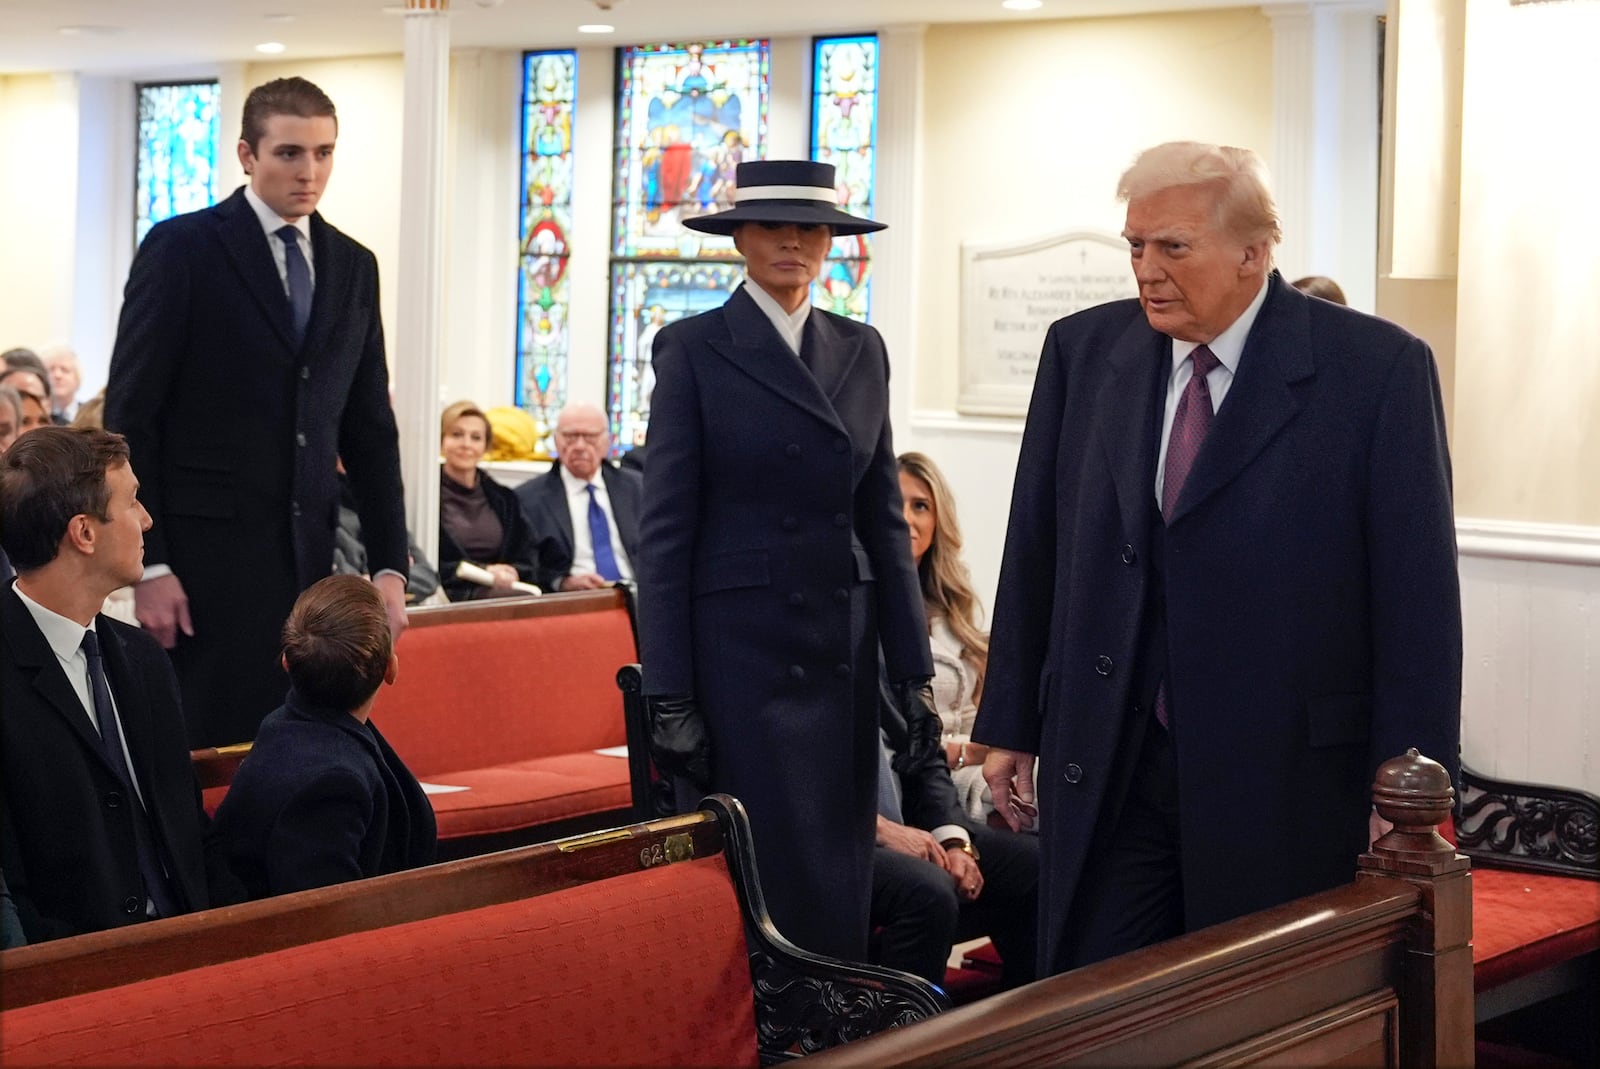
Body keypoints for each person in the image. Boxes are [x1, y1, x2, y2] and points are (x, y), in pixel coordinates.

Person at [975, 141, 1462, 977]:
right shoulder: (1083, 353)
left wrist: (1407, 786)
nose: (1147, 270)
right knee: (1101, 1005)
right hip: (1114, 762)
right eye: (1134, 246)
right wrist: (1012, 721)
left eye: (1173, 246)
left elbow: (1416, 601)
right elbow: (1036, 549)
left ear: (1254, 250)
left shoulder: (1374, 371)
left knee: (1252, 1012)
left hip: (1281, 774)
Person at [636, 160, 935, 962]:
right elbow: (663, 535)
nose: (795, 242)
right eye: (774, 226)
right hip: (744, 661)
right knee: (762, 883)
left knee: (839, 881)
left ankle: (839, 1038)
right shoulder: (695, 347)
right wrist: (669, 691)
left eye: (812, 228)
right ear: (739, 236)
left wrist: (912, 672)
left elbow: (883, 521)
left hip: (840, 650)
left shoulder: (861, 348)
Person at [105, 76, 409, 748]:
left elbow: (369, 428)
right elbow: (131, 414)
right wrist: (150, 564)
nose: (310, 173)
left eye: (324, 153)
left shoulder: (353, 264)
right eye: (290, 153)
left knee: (303, 747)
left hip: (309, 560)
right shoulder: (184, 248)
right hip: (204, 561)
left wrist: (390, 564)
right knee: (208, 749)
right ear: (247, 154)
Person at [1, 427, 226, 941]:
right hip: (77, 972)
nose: (147, 518)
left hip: (189, 942)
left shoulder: (141, 656)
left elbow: (188, 830)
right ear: (84, 532)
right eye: (132, 501)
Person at [207, 574, 436, 898]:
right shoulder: (331, 782)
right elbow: (326, 917)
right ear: (391, 669)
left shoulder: (284, 726)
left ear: (286, 663)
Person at [873, 677, 1039, 989]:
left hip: (908, 818)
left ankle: (1027, 1020)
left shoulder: (879, 654)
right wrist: (874, 828)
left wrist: (953, 841)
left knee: (1035, 865)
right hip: (830, 838)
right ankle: (906, 1031)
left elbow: (926, 757)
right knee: (928, 890)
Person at [896, 451, 1009, 824]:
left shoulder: (953, 615)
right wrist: (967, 753)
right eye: (895, 504)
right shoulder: (865, 609)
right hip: (920, 786)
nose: (906, 518)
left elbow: (981, 723)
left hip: (976, 773)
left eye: (921, 506)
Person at [514, 400, 641, 593]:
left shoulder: (637, 488)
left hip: (638, 597)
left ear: (607, 440)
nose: (580, 445)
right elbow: (527, 568)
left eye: (590, 436)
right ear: (556, 439)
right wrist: (563, 583)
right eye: (570, 436)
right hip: (574, 602)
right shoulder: (528, 499)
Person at [437, 400, 540, 600]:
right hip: (452, 592)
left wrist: (513, 571)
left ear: (485, 446)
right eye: (456, 435)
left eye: (476, 437)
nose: (466, 444)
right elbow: (434, 562)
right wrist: (485, 571)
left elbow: (527, 555)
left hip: (505, 590)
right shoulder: (427, 497)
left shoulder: (504, 498)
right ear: (441, 441)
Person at [44, 349, 82, 422]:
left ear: (77, 378)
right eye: (51, 369)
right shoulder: (38, 417)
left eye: (64, 370)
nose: (58, 375)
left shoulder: (90, 414)